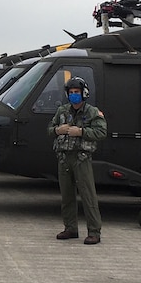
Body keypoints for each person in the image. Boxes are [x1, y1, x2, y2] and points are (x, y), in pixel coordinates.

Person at [49, 76, 107, 244]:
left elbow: (101, 132)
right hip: (64, 158)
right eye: (71, 92)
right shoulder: (62, 111)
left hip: (81, 158)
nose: (74, 95)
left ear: (84, 93)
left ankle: (94, 231)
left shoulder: (92, 112)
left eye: (77, 92)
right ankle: (70, 228)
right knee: (67, 196)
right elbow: (49, 129)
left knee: (88, 196)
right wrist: (58, 130)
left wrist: (81, 132)